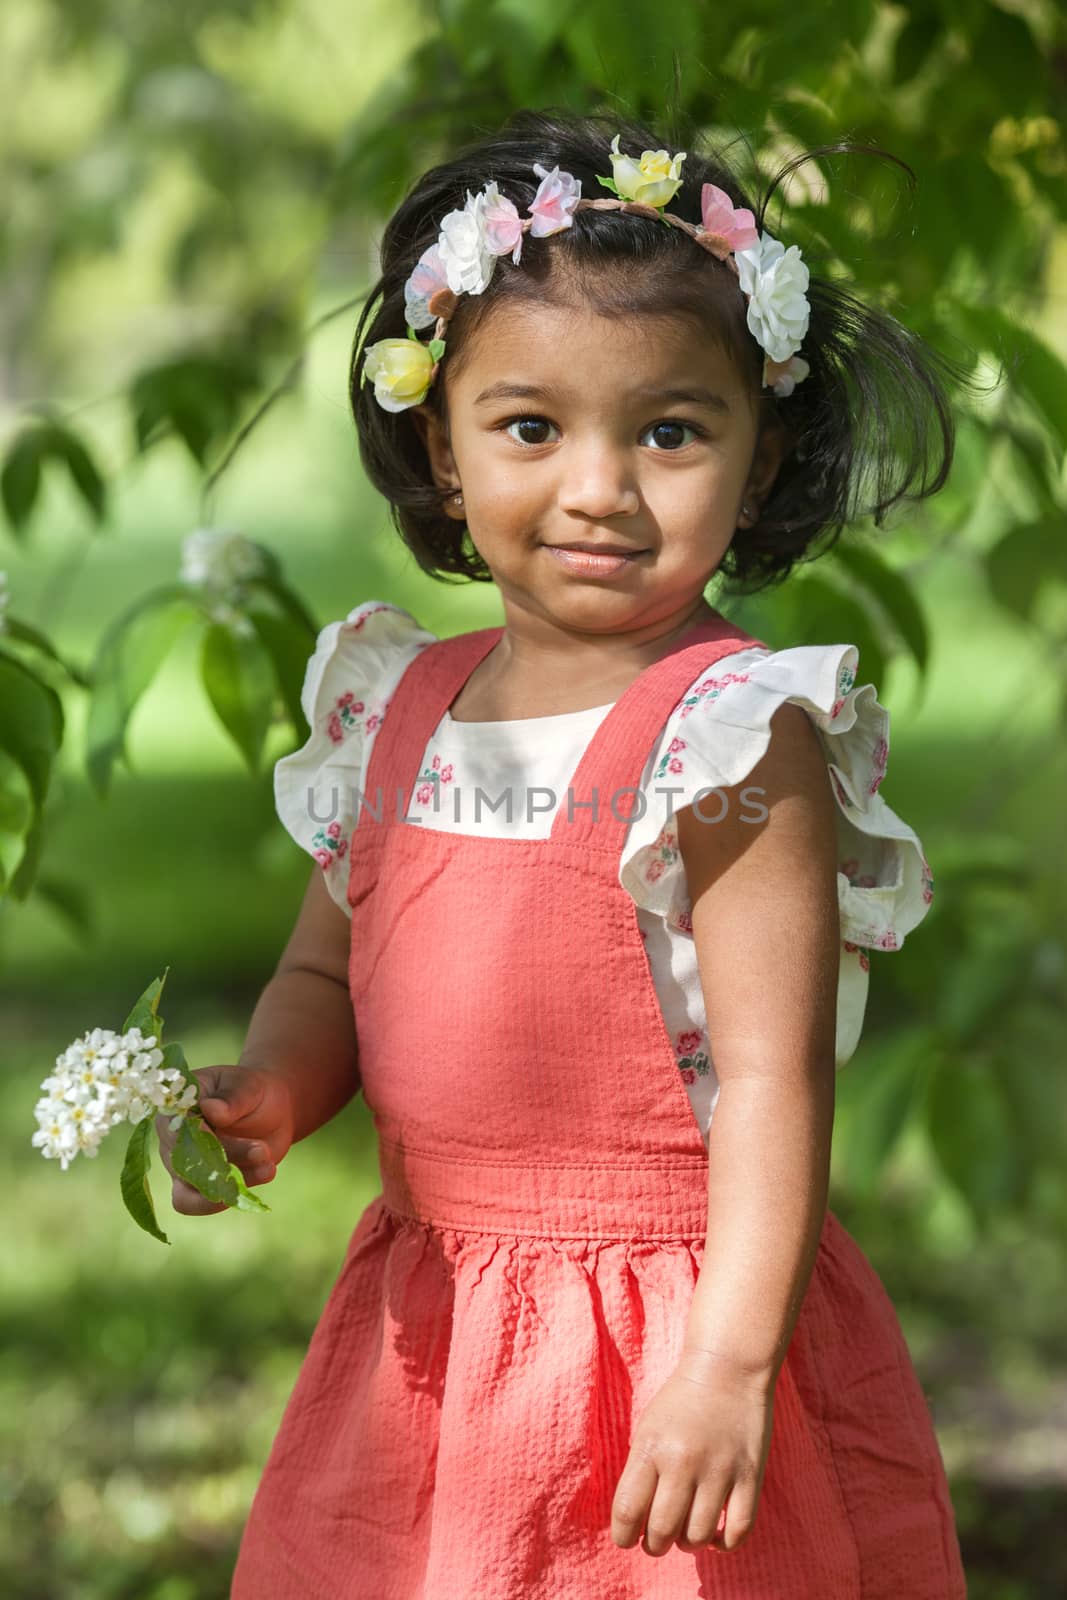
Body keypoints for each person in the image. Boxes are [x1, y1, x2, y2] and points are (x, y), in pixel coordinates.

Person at [159, 108, 971, 1596]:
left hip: (668, 1329)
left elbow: (776, 1082)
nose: (600, 487)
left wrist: (729, 1364)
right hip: (439, 1336)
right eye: (532, 427)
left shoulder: (732, 738)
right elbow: (325, 966)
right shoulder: (393, 707)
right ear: (443, 448)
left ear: (760, 448)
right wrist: (274, 1087)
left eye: (669, 430)